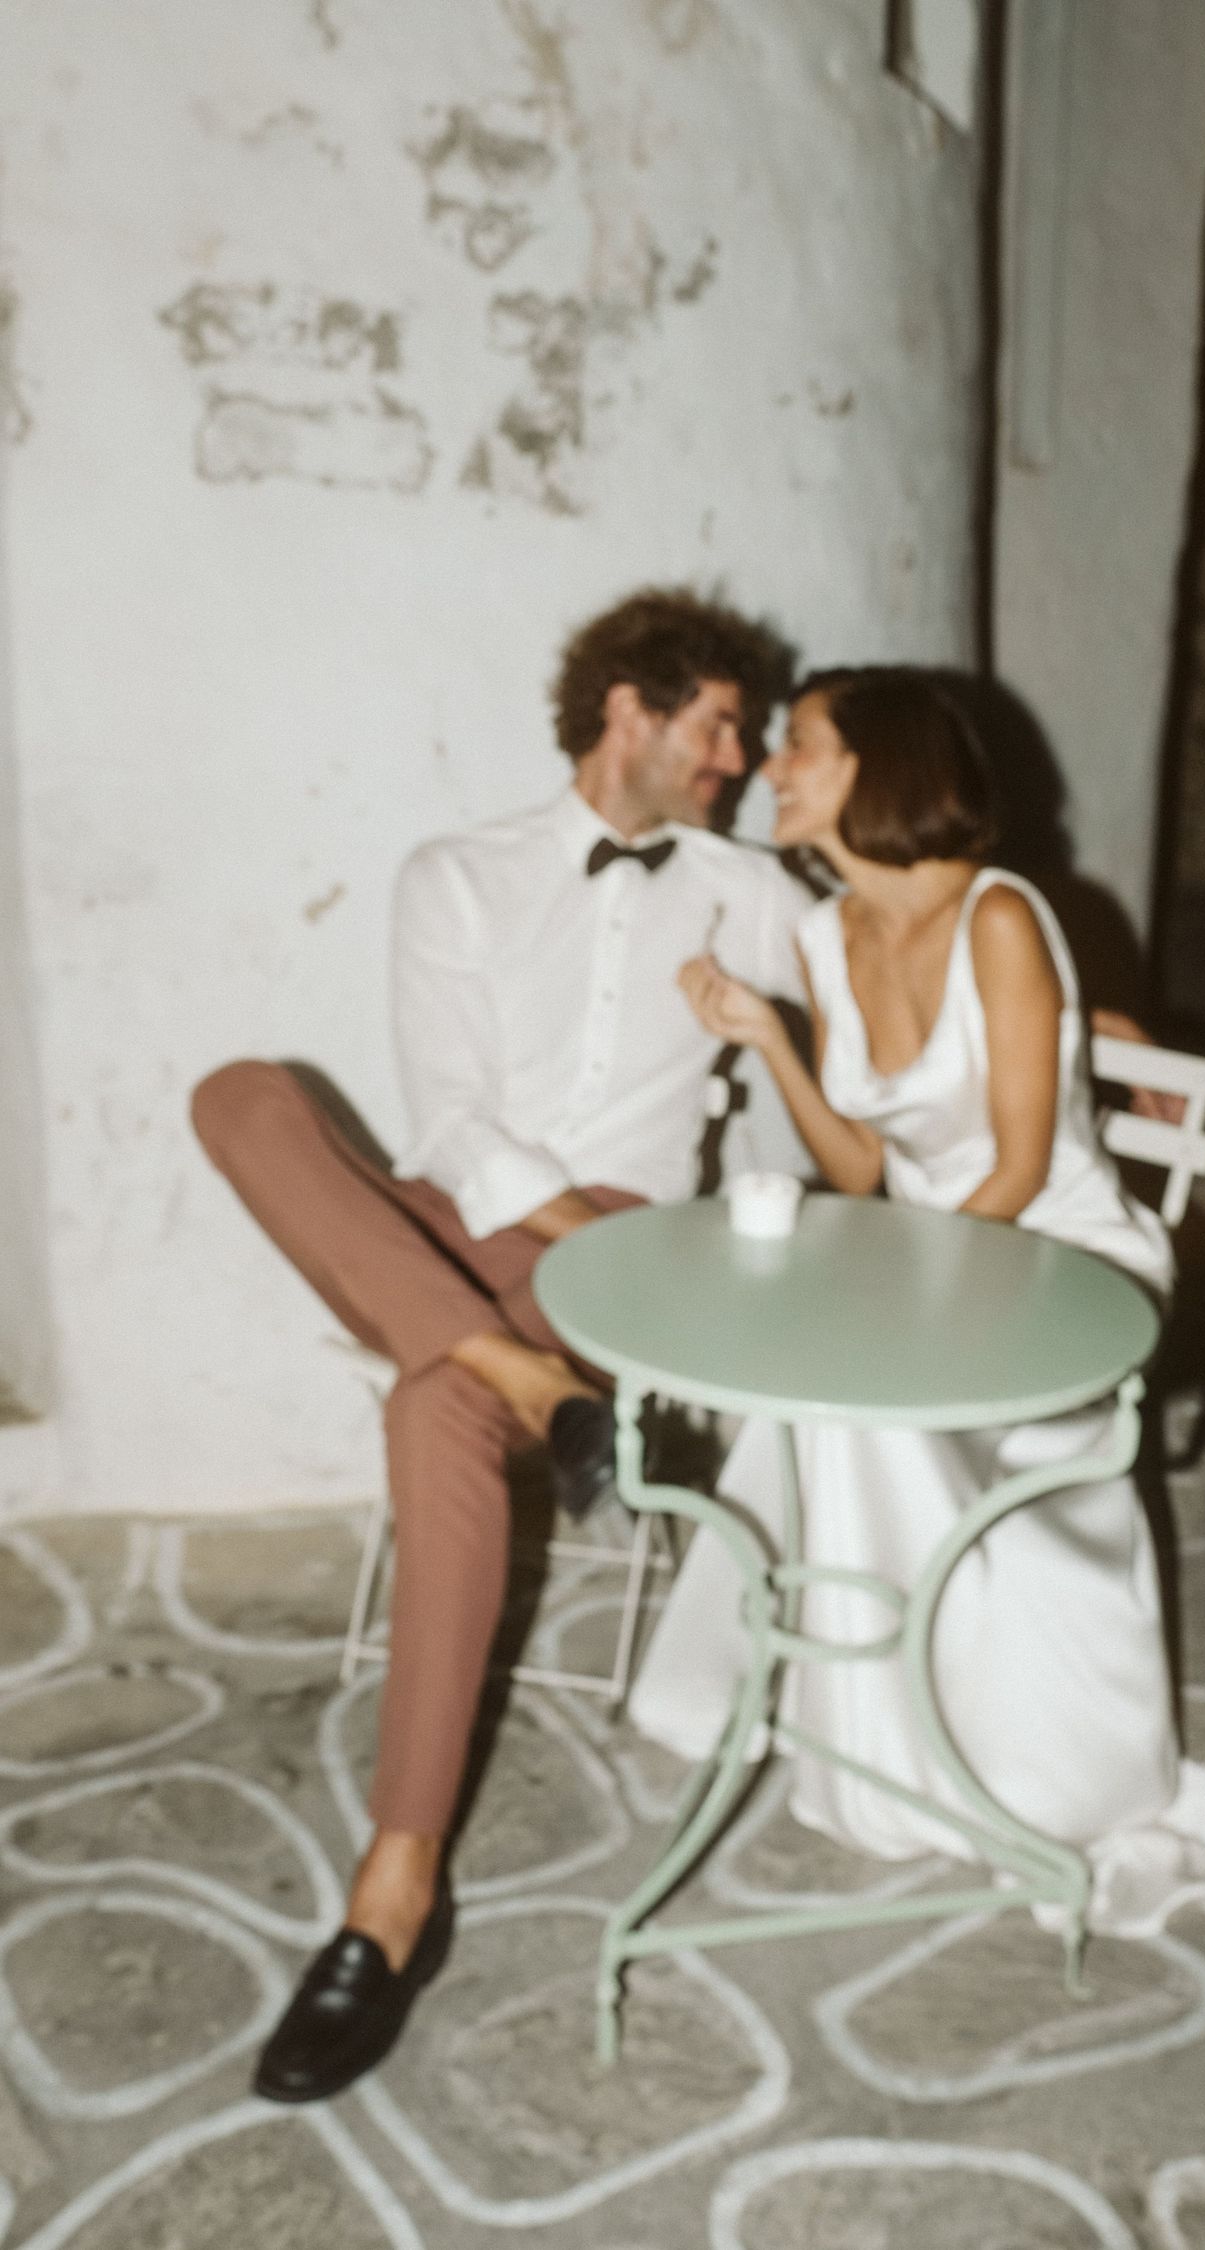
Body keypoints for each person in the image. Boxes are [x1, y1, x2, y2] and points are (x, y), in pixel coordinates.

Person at [190, 588, 813, 2100]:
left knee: (429, 1409)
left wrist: (1054, 1012)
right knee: (239, 1094)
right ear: (628, 710)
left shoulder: (757, 892)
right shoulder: (456, 875)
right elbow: (455, 1118)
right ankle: (521, 1375)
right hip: (456, 1222)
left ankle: (393, 1893)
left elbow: (898, 991)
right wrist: (499, 1305)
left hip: (626, 1251)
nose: (740, 755)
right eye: (719, 722)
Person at [631, 669, 1205, 1933]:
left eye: (798, 744)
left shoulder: (1002, 921)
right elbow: (861, 1167)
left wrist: (895, 1301)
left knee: (866, 1391)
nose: (771, 766)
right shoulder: (822, 936)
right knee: (826, 1393)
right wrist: (768, 1040)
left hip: (1061, 1252)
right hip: (926, 1246)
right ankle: (877, 1725)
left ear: (880, 767)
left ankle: (997, 1741)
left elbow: (1022, 1168)